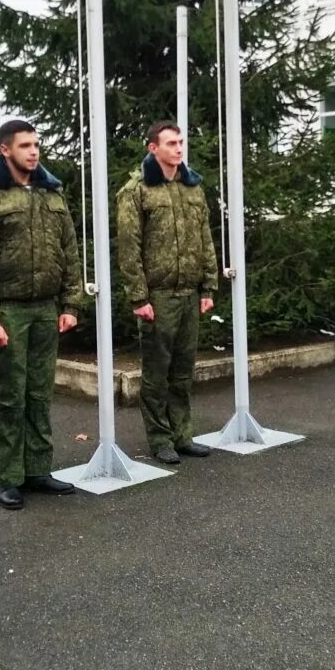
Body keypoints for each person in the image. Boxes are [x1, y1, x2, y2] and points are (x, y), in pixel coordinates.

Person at [0, 120, 82, 510]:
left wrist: (71, 303)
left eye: (36, 145)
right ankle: (11, 477)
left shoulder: (51, 190)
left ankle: (38, 470)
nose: (33, 151)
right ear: (4, 149)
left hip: (46, 308)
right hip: (8, 310)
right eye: (25, 145)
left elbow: (69, 249)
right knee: (11, 396)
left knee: (40, 393)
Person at [116, 120, 220, 465]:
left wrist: (208, 285)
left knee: (183, 371)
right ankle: (160, 438)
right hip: (158, 295)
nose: (178, 149)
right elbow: (129, 249)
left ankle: (182, 434)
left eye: (180, 143)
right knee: (157, 372)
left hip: (189, 292)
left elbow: (205, 239)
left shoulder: (192, 188)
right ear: (153, 148)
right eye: (171, 143)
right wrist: (139, 297)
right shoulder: (137, 191)